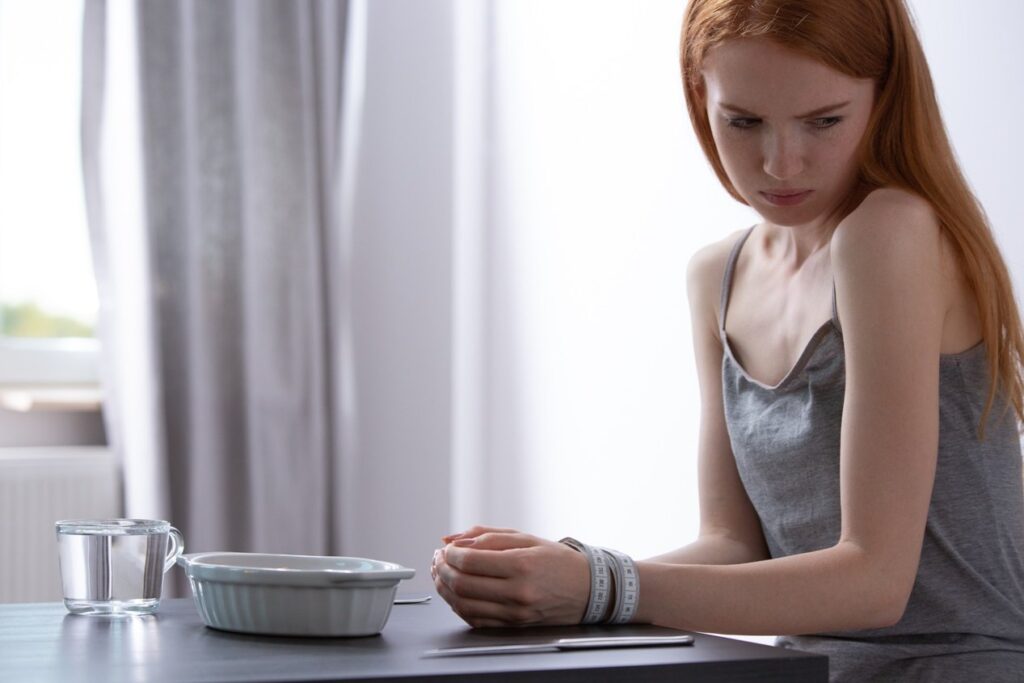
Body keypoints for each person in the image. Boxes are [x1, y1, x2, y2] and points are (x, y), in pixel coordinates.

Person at [430, 1, 1024, 680]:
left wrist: (599, 585)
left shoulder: (888, 232)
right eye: (743, 122)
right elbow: (734, 545)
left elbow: (875, 580)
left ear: (883, 96)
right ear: (699, 95)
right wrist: (557, 576)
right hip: (798, 668)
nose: (781, 163)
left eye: (823, 121)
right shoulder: (718, 276)